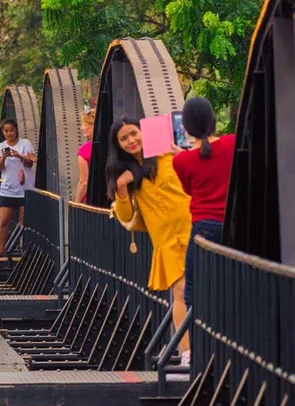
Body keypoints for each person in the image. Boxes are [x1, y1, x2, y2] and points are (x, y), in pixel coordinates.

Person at [106, 116, 192, 365]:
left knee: (203, 292)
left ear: (143, 132)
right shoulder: (126, 175)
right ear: (118, 145)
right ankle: (186, 354)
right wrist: (121, 188)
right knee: (180, 292)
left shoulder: (167, 156)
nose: (131, 140)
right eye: (124, 138)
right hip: (166, 241)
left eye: (134, 133)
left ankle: (212, 349)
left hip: (193, 231)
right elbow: (125, 216)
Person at [172, 97, 235, 315]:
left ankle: (200, 345)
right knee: (234, 286)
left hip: (204, 228)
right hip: (235, 225)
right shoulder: (232, 143)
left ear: (186, 127)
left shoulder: (181, 161)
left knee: (194, 290)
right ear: (213, 119)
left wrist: (184, 156)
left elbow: (190, 190)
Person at [0, 117, 36, 260]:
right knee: (3, 221)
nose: (9, 133)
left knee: (24, 221)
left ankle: (24, 250)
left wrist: (19, 156)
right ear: (3, 132)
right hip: (8, 189)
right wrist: (4, 157)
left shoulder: (25, 144)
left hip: (25, 189)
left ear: (16, 130)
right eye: (6, 131)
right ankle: (1, 248)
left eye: (11, 130)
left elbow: (30, 163)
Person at [75, 108, 96, 203]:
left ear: (92, 126)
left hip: (91, 202)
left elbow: (84, 182)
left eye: (83, 124)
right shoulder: (112, 146)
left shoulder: (85, 150)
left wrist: (76, 204)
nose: (81, 128)